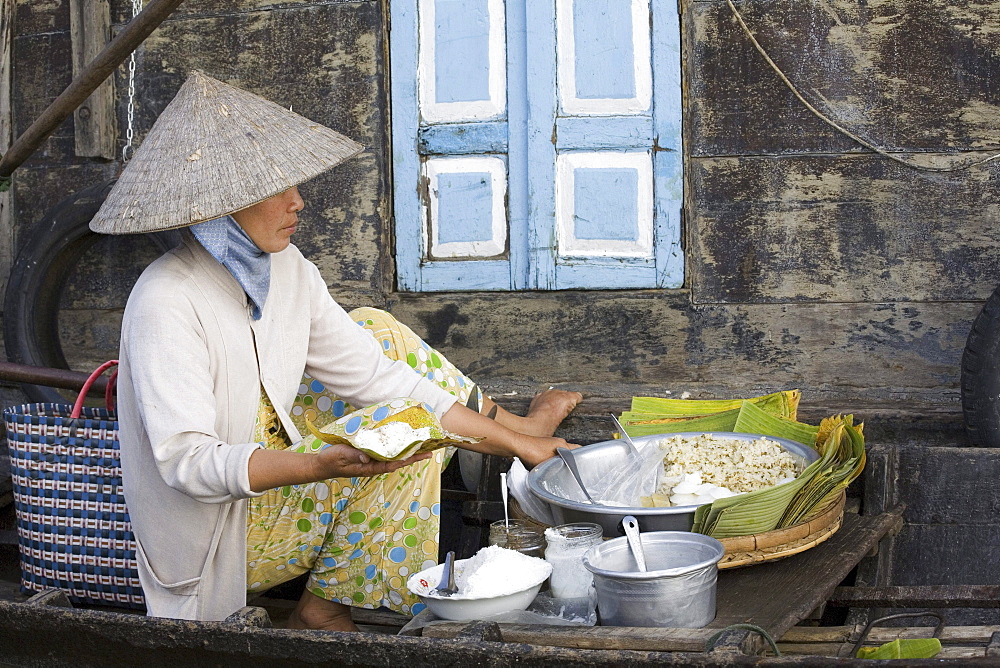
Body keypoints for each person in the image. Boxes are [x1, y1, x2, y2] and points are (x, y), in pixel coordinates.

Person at [90, 70, 581, 630]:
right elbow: (188, 464)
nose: (299, 201)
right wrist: (314, 466)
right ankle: (324, 607)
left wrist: (520, 444)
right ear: (221, 205)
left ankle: (322, 608)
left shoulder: (287, 271)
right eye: (278, 188)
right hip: (218, 536)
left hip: (279, 487)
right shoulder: (167, 299)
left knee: (402, 416)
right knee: (395, 430)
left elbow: (379, 377)